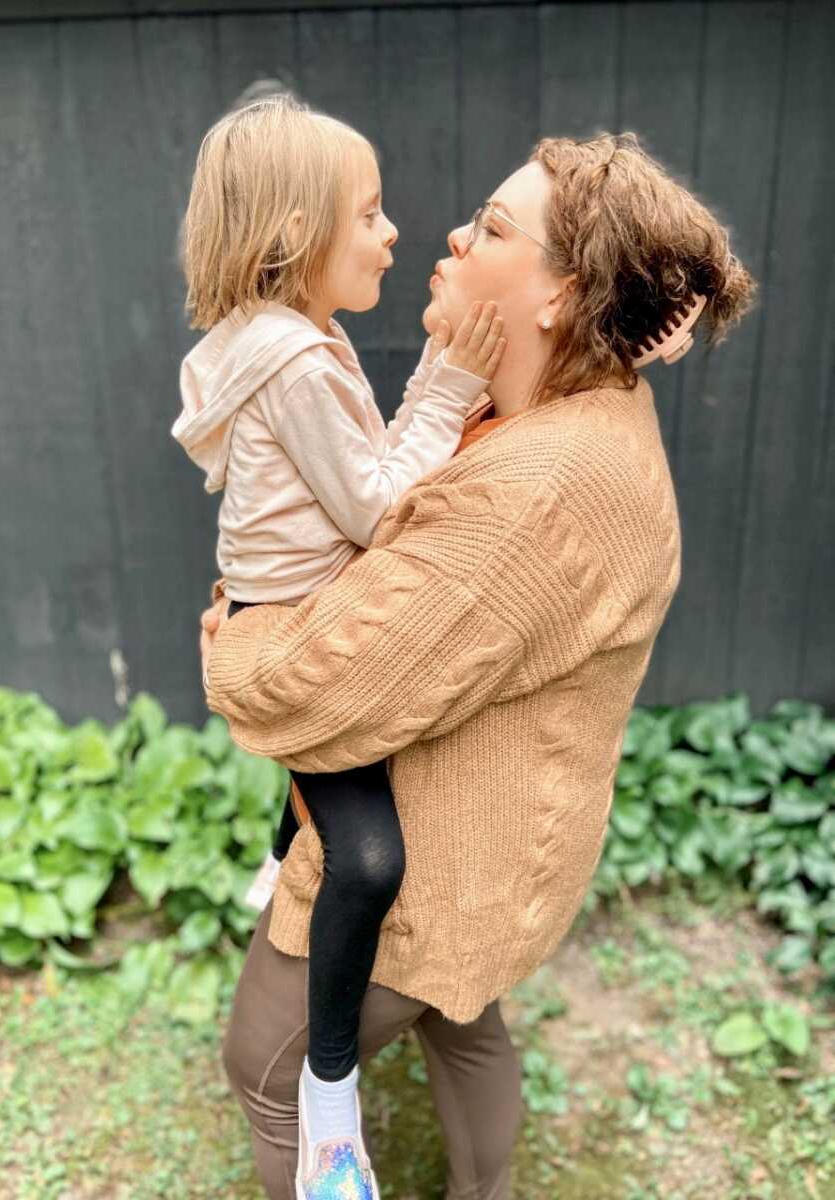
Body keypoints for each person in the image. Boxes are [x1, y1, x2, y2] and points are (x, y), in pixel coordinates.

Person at [199, 131, 756, 1199]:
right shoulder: (575, 413)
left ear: (562, 294)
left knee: (265, 1072)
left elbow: (310, 682)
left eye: (494, 228)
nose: (449, 235)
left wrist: (233, 632)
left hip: (435, 873)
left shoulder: (537, 492)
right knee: (465, 1025)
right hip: (505, 849)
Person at [172, 94, 505, 1200]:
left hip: (297, 615)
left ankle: (282, 839)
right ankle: (326, 1095)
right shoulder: (299, 359)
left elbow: (351, 498)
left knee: (347, 813)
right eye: (369, 212)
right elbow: (376, 511)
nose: (393, 231)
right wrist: (454, 379)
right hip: (303, 640)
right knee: (370, 860)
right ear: (296, 235)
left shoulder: (294, 337)